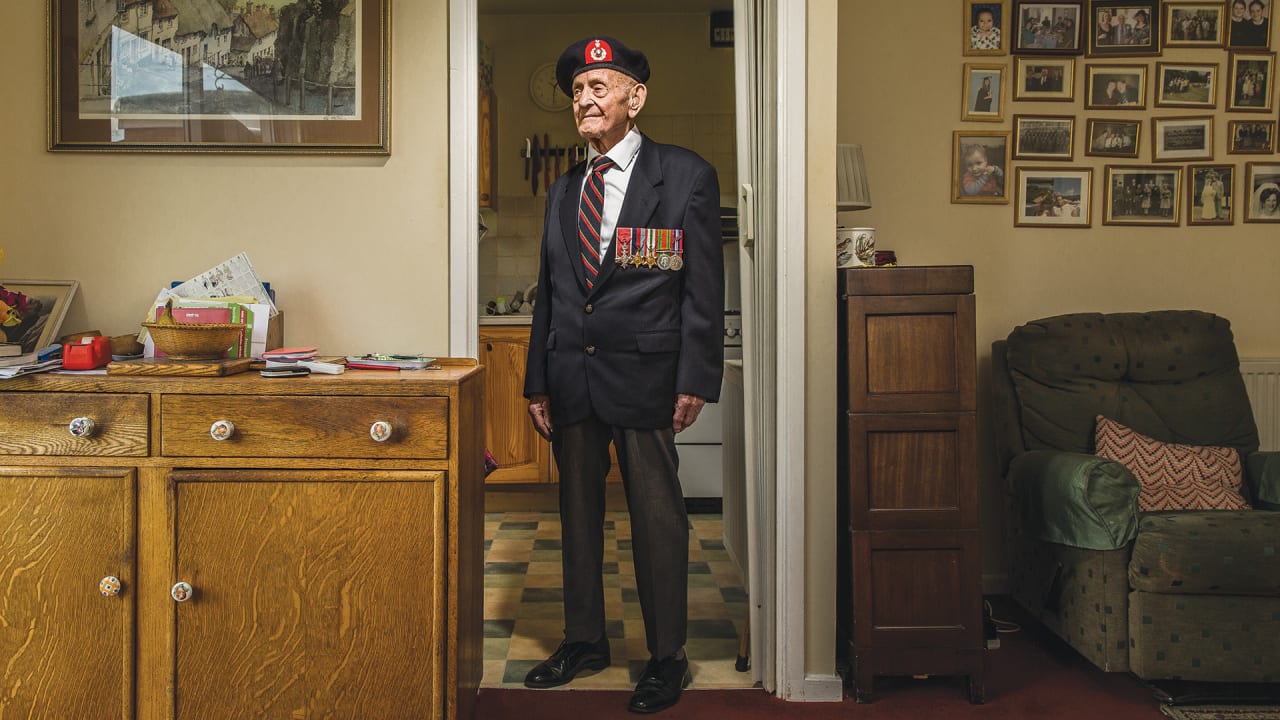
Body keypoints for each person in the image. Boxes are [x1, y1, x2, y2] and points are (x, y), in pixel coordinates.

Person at [522, 35, 724, 715]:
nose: (584, 98)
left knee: (658, 523)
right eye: (577, 89)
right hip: (570, 381)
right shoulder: (564, 189)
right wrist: (537, 380)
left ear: (635, 99)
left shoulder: (685, 176)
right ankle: (585, 641)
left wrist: (696, 377)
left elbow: (701, 289)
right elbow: (551, 293)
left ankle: (667, 657)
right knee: (577, 520)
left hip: (648, 378)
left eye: (598, 86)